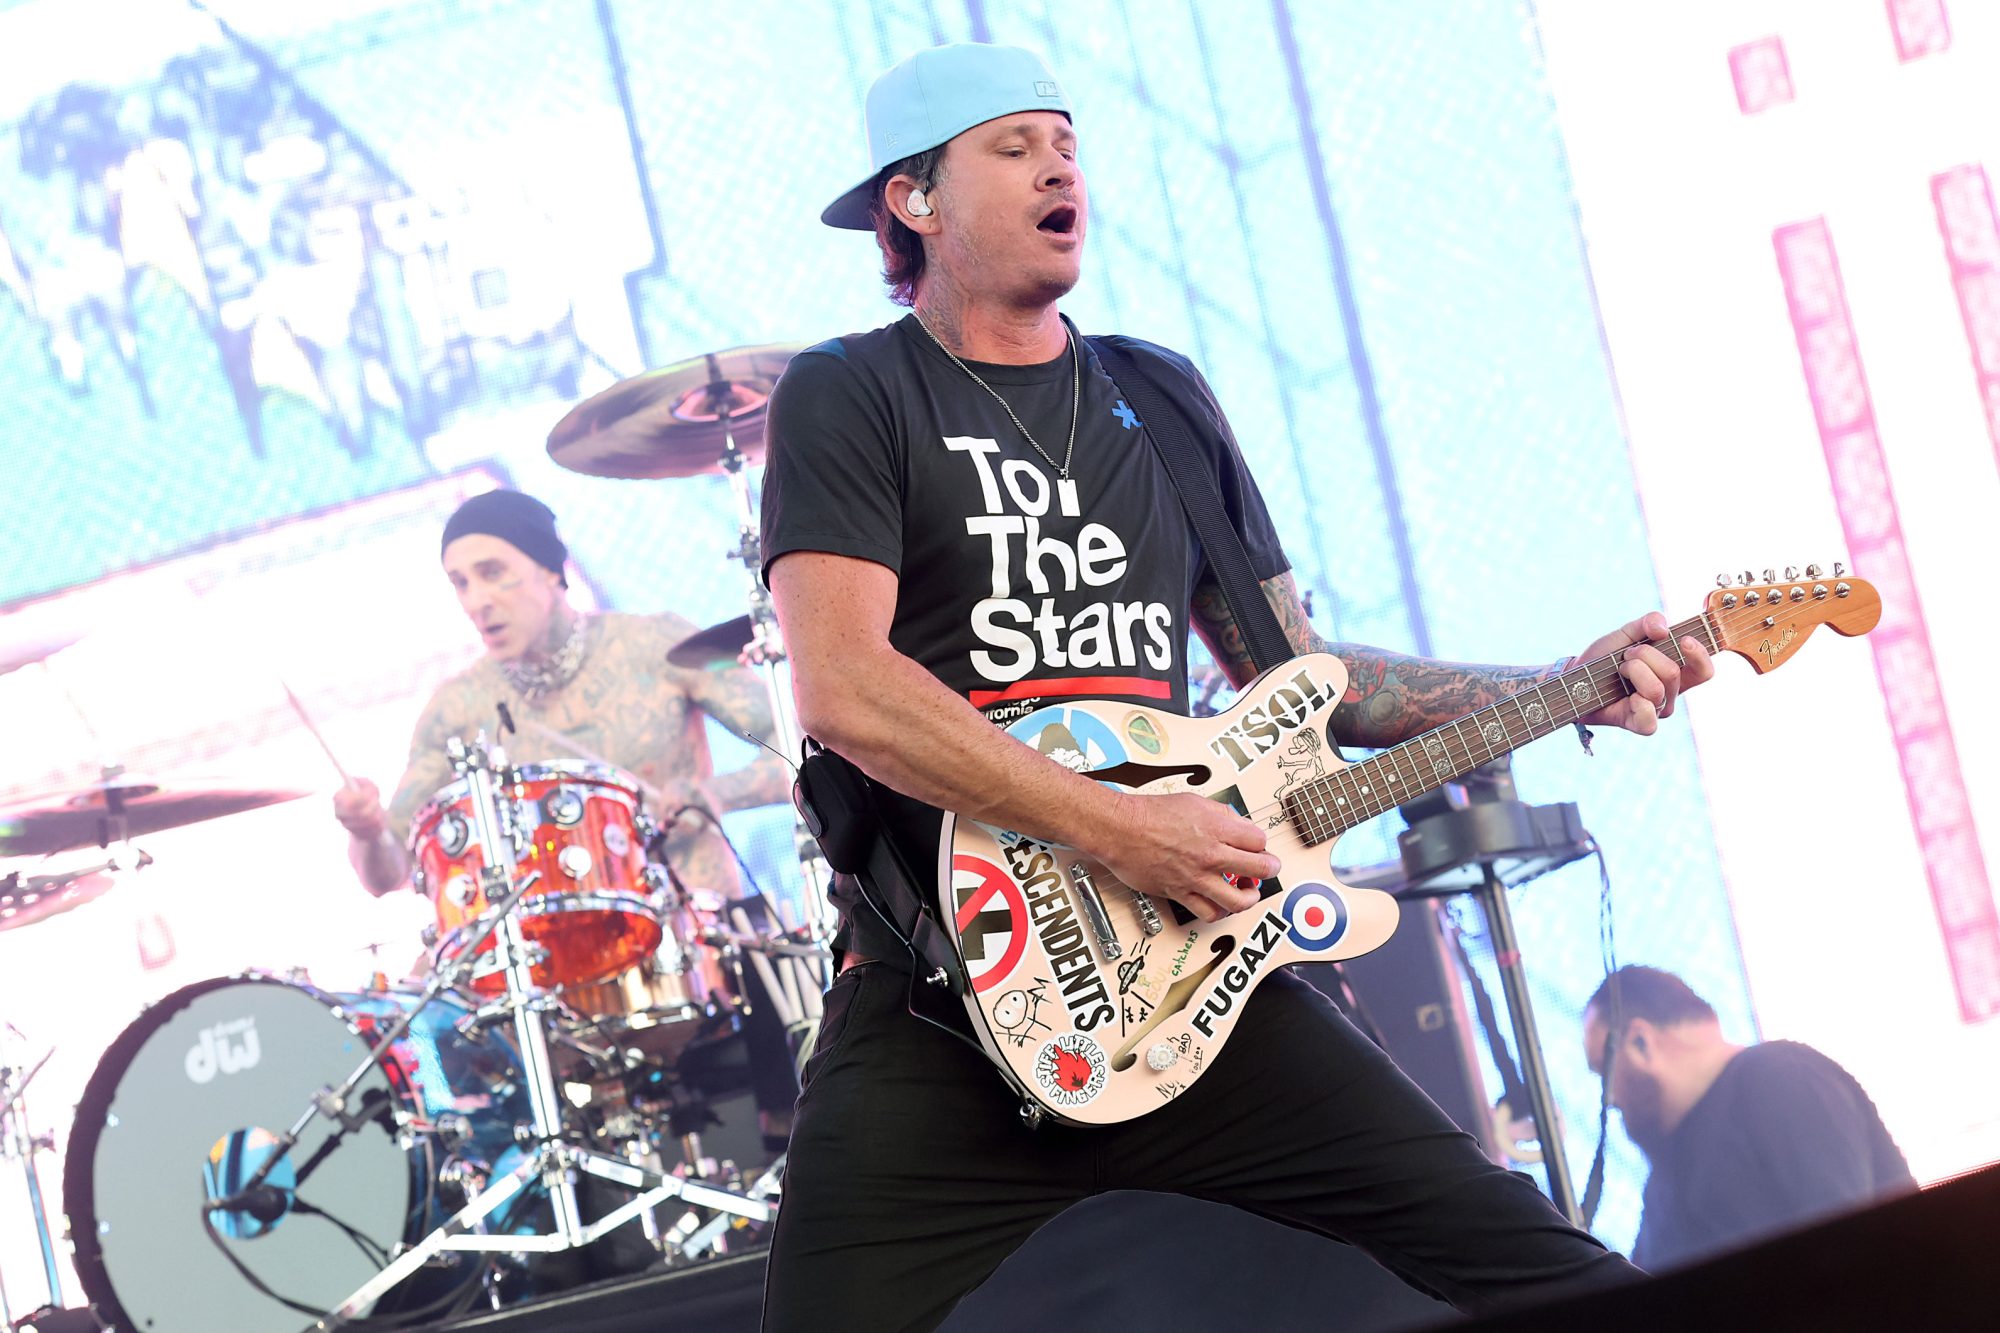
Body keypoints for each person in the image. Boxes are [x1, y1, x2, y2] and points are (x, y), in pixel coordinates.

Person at [757, 42, 1718, 1331]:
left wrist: (1557, 685)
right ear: (912, 200)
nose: (1059, 163)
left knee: (1535, 1262)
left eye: (1067, 142)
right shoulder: (852, 391)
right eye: (1011, 145)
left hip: (1190, 987)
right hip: (938, 1007)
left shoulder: (1153, 394)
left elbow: (1300, 681)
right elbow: (846, 692)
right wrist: (1116, 826)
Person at [331, 488, 786, 901]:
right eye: (461, 583)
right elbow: (385, 875)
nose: (475, 601)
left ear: (550, 570)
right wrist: (368, 832)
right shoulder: (457, 709)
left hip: (710, 946)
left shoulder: (653, 646)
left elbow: (799, 751)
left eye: (493, 574)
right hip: (556, 968)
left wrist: (715, 795)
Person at [1583, 965, 1915, 1270]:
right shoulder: (1664, 1179)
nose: (1609, 1099)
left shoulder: (1780, 1078)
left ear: (1641, 1043)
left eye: (1604, 1071)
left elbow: (1848, 1259)